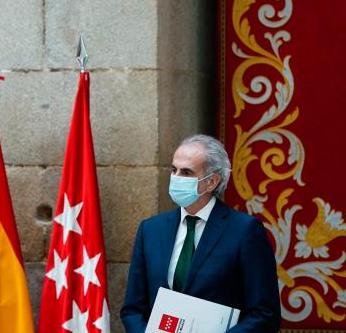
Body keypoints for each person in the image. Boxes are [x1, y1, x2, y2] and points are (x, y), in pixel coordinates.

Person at [120, 134, 280, 333]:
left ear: (212, 182)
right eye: (173, 169)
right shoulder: (150, 230)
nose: (176, 177)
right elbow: (133, 309)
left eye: (186, 172)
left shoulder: (245, 230)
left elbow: (265, 314)